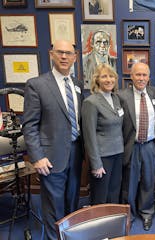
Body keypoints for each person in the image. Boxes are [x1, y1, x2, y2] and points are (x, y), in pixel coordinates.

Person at [22, 40, 83, 240]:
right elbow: (29, 125)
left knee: (72, 202)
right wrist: (37, 157)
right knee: (53, 206)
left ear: (75, 57)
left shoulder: (78, 85)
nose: (64, 57)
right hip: (50, 157)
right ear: (51, 54)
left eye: (68, 53)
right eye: (60, 52)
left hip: (75, 154)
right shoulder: (37, 84)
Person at [118, 62, 155, 231]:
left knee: (148, 181)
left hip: (150, 145)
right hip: (131, 146)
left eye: (144, 75)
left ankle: (147, 213)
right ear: (131, 76)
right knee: (130, 183)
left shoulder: (154, 93)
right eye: (138, 75)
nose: (141, 78)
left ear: (149, 77)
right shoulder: (121, 96)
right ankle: (130, 214)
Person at [81, 63, 124, 205]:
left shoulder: (116, 99)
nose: (108, 80)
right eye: (104, 76)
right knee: (100, 195)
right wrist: (96, 163)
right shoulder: (91, 102)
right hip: (103, 157)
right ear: (97, 79)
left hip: (118, 153)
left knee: (114, 192)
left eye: (111, 76)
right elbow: (89, 136)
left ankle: (112, 223)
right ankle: (99, 225)